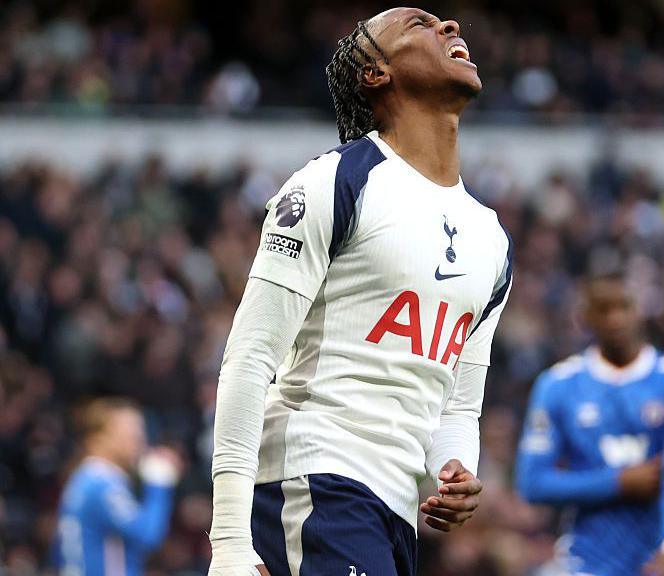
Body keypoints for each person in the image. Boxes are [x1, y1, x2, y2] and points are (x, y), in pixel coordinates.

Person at [207, 7, 512, 576]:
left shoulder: (491, 238)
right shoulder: (333, 182)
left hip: (391, 510)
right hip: (315, 477)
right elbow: (249, 361)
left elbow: (458, 402)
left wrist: (454, 466)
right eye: (419, 25)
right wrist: (227, 543)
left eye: (446, 22)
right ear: (376, 73)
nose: (449, 27)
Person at [516, 271, 664, 575]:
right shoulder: (557, 386)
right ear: (585, 317)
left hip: (659, 559)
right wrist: (617, 482)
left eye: (624, 307)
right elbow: (533, 483)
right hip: (583, 559)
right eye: (604, 309)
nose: (615, 319)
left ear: (640, 309)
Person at [54, 398, 182, 576]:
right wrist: (159, 484)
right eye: (130, 433)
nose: (139, 440)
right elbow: (148, 535)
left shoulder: (84, 479)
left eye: (140, 431)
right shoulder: (101, 484)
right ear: (98, 438)